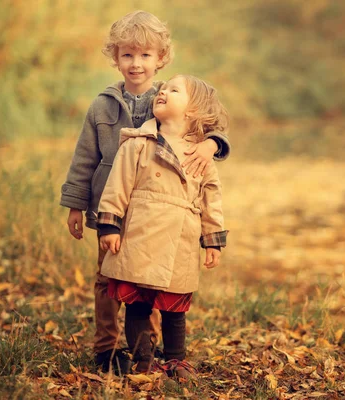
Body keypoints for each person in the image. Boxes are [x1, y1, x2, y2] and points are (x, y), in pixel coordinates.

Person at [59, 11, 231, 372]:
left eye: (145, 55)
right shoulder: (103, 106)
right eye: (127, 55)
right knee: (107, 279)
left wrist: (211, 144)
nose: (136, 63)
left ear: (160, 58)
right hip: (111, 209)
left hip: (156, 216)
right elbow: (84, 158)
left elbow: (211, 122)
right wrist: (76, 204)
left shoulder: (171, 98)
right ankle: (106, 350)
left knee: (151, 279)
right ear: (116, 58)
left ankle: (146, 353)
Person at [97, 74, 228, 380]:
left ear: (193, 111)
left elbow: (211, 198)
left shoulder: (201, 153)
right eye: (163, 87)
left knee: (175, 306)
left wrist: (212, 240)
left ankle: (175, 359)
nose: (162, 91)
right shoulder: (138, 143)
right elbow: (117, 186)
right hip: (140, 234)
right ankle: (143, 357)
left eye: (174, 90)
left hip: (180, 236)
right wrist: (110, 226)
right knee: (138, 301)